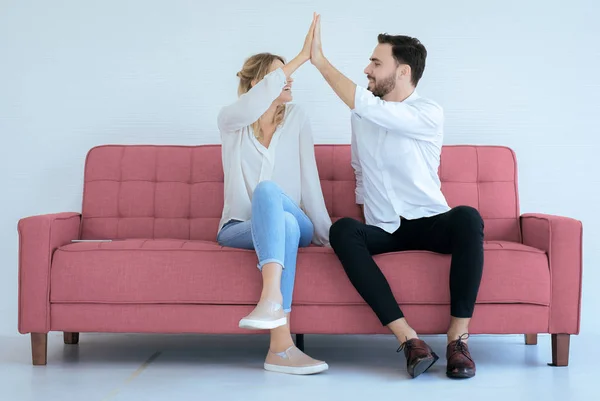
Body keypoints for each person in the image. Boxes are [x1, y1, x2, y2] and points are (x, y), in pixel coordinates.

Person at [308, 14, 484, 379]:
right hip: (386, 227)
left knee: (468, 216)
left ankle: (457, 340)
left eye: (376, 62)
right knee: (343, 231)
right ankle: (410, 342)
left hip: (431, 221)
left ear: (402, 72)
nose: (367, 69)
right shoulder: (362, 117)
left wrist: (321, 63)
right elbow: (359, 169)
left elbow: (372, 108)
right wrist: (366, 210)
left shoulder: (427, 112)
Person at [216, 14, 330, 375]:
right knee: (281, 224)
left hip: (299, 219)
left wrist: (328, 235)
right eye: (279, 74)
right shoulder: (231, 123)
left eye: (289, 71)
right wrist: (300, 55)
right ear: (256, 84)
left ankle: (271, 301)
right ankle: (280, 349)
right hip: (239, 227)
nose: (290, 78)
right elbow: (251, 103)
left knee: (278, 205)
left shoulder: (297, 118)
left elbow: (310, 181)